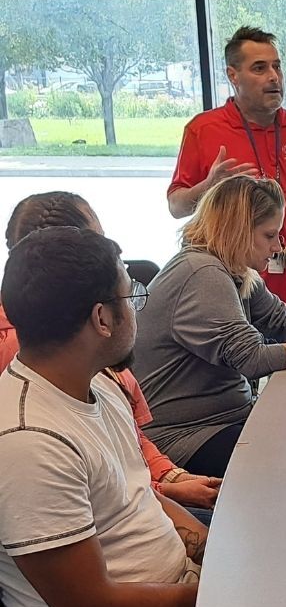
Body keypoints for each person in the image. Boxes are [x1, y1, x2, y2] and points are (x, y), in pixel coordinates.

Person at [0, 227, 204, 607]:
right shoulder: (31, 441)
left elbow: (142, 495)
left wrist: (215, 554)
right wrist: (212, 598)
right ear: (102, 318)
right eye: (130, 295)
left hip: (171, 597)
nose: (137, 307)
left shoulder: (99, 384)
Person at [3, 192, 221, 518]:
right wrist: (165, 490)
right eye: (97, 241)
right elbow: (87, 488)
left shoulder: (100, 373)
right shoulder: (42, 367)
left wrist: (171, 478)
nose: (111, 252)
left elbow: (129, 446)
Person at [135, 175, 286, 477]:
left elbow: (280, 322)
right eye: (270, 236)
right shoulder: (203, 274)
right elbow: (252, 359)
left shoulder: (231, 267)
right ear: (238, 231)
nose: (277, 247)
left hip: (223, 418)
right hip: (186, 436)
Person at [167, 25, 286, 317]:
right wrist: (208, 187)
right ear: (233, 75)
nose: (273, 77)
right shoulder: (203, 129)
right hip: (233, 294)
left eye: (277, 66)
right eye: (259, 68)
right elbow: (176, 207)